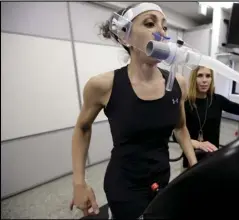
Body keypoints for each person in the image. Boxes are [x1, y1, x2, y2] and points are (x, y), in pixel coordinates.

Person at [70, 3, 197, 219]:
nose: (161, 32)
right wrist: (79, 183)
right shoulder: (103, 85)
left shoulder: (178, 83)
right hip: (124, 185)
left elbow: (181, 127)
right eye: (149, 23)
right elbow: (82, 129)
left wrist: (194, 167)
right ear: (125, 36)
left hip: (162, 179)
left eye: (164, 27)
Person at [178, 65, 239, 168]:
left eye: (208, 76)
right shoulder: (185, 103)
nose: (204, 80)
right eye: (200, 76)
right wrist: (198, 144)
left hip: (212, 156)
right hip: (190, 158)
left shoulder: (217, 100)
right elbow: (177, 136)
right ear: (194, 79)